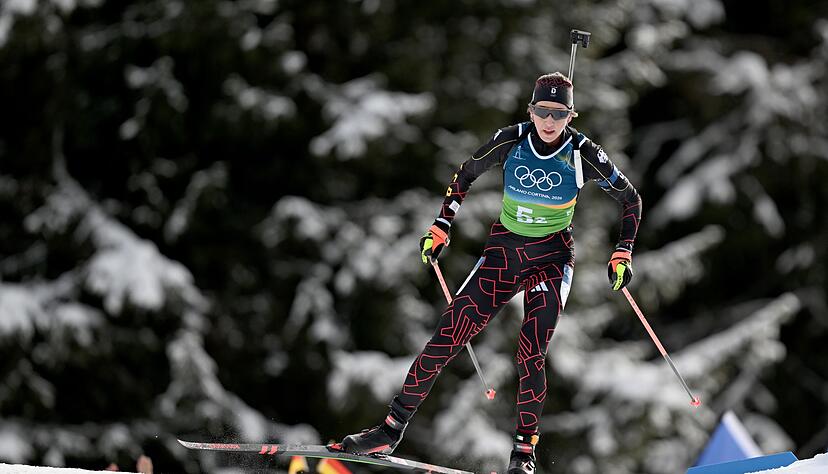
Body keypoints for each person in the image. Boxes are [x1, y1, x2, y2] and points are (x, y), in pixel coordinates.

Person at [334, 72, 642, 474]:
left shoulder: (583, 153)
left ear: (571, 115)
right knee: (445, 338)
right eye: (542, 111)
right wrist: (442, 224)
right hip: (503, 254)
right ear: (531, 110)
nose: (549, 122)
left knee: (531, 353)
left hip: (550, 260)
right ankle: (390, 429)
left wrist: (622, 252)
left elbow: (631, 200)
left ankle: (523, 455)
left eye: (559, 114)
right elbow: (464, 174)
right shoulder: (510, 140)